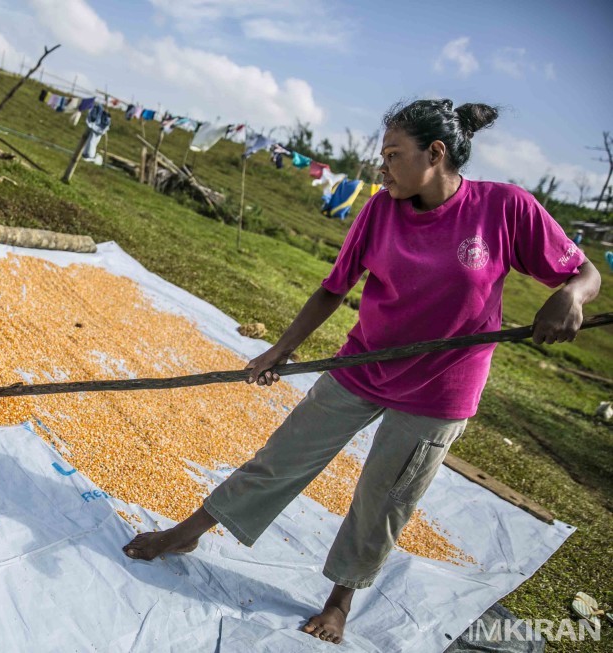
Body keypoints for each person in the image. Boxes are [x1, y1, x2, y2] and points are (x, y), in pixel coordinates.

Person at [122, 99, 601, 644]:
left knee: (384, 499)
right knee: (282, 457)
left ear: (435, 153)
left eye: (394, 156)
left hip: (440, 390)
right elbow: (334, 287)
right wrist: (281, 349)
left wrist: (571, 297)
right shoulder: (380, 210)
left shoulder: (504, 208)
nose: (383, 167)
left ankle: (339, 599)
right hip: (364, 363)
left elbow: (583, 274)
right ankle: (188, 533)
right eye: (383, 155)